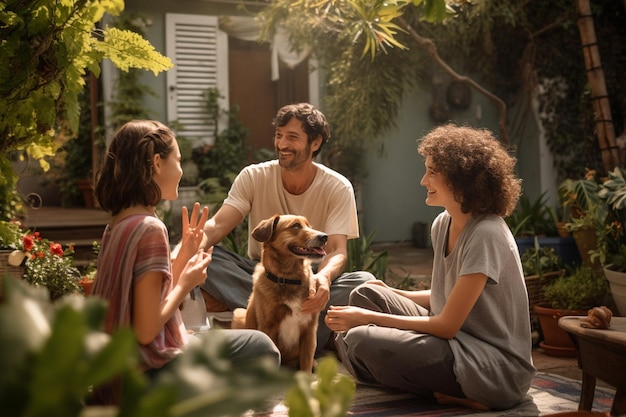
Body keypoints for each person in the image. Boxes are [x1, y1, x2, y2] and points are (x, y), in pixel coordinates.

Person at [325, 124, 536, 410]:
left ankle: (483, 396)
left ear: (463, 179)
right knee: (366, 294)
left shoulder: (487, 233)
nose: (424, 180)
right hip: (459, 339)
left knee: (362, 338)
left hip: (495, 366)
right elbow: (444, 297)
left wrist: (364, 319)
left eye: (433, 172)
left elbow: (446, 325)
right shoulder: (442, 224)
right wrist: (391, 292)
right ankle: (430, 381)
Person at [92, 120, 280, 404]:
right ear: (157, 162)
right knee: (262, 348)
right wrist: (187, 284)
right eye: (178, 160)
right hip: (143, 382)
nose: (180, 170)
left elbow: (144, 307)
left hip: (112, 381)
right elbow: (146, 330)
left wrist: (181, 260)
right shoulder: (149, 228)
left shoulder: (118, 224)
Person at [198, 103, 375, 355]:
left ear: (315, 143)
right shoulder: (253, 176)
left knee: (364, 284)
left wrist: (322, 280)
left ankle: (273, 328)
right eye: (279, 136)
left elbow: (337, 250)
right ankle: (303, 333)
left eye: (292, 137)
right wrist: (183, 250)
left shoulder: (338, 186)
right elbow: (216, 226)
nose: (282, 144)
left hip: (308, 282)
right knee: (207, 256)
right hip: (262, 279)